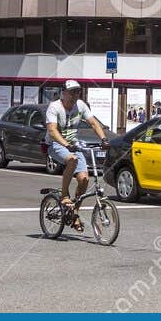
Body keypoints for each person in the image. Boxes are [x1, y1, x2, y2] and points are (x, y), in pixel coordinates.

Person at [45, 81, 111, 232]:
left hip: (74, 144)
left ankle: (74, 214)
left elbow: (93, 123)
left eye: (77, 92)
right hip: (56, 144)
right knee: (72, 160)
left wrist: (104, 139)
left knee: (84, 179)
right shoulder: (54, 107)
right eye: (72, 92)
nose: (75, 95)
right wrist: (66, 145)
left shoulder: (80, 105)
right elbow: (53, 131)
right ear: (64, 92)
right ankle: (64, 194)